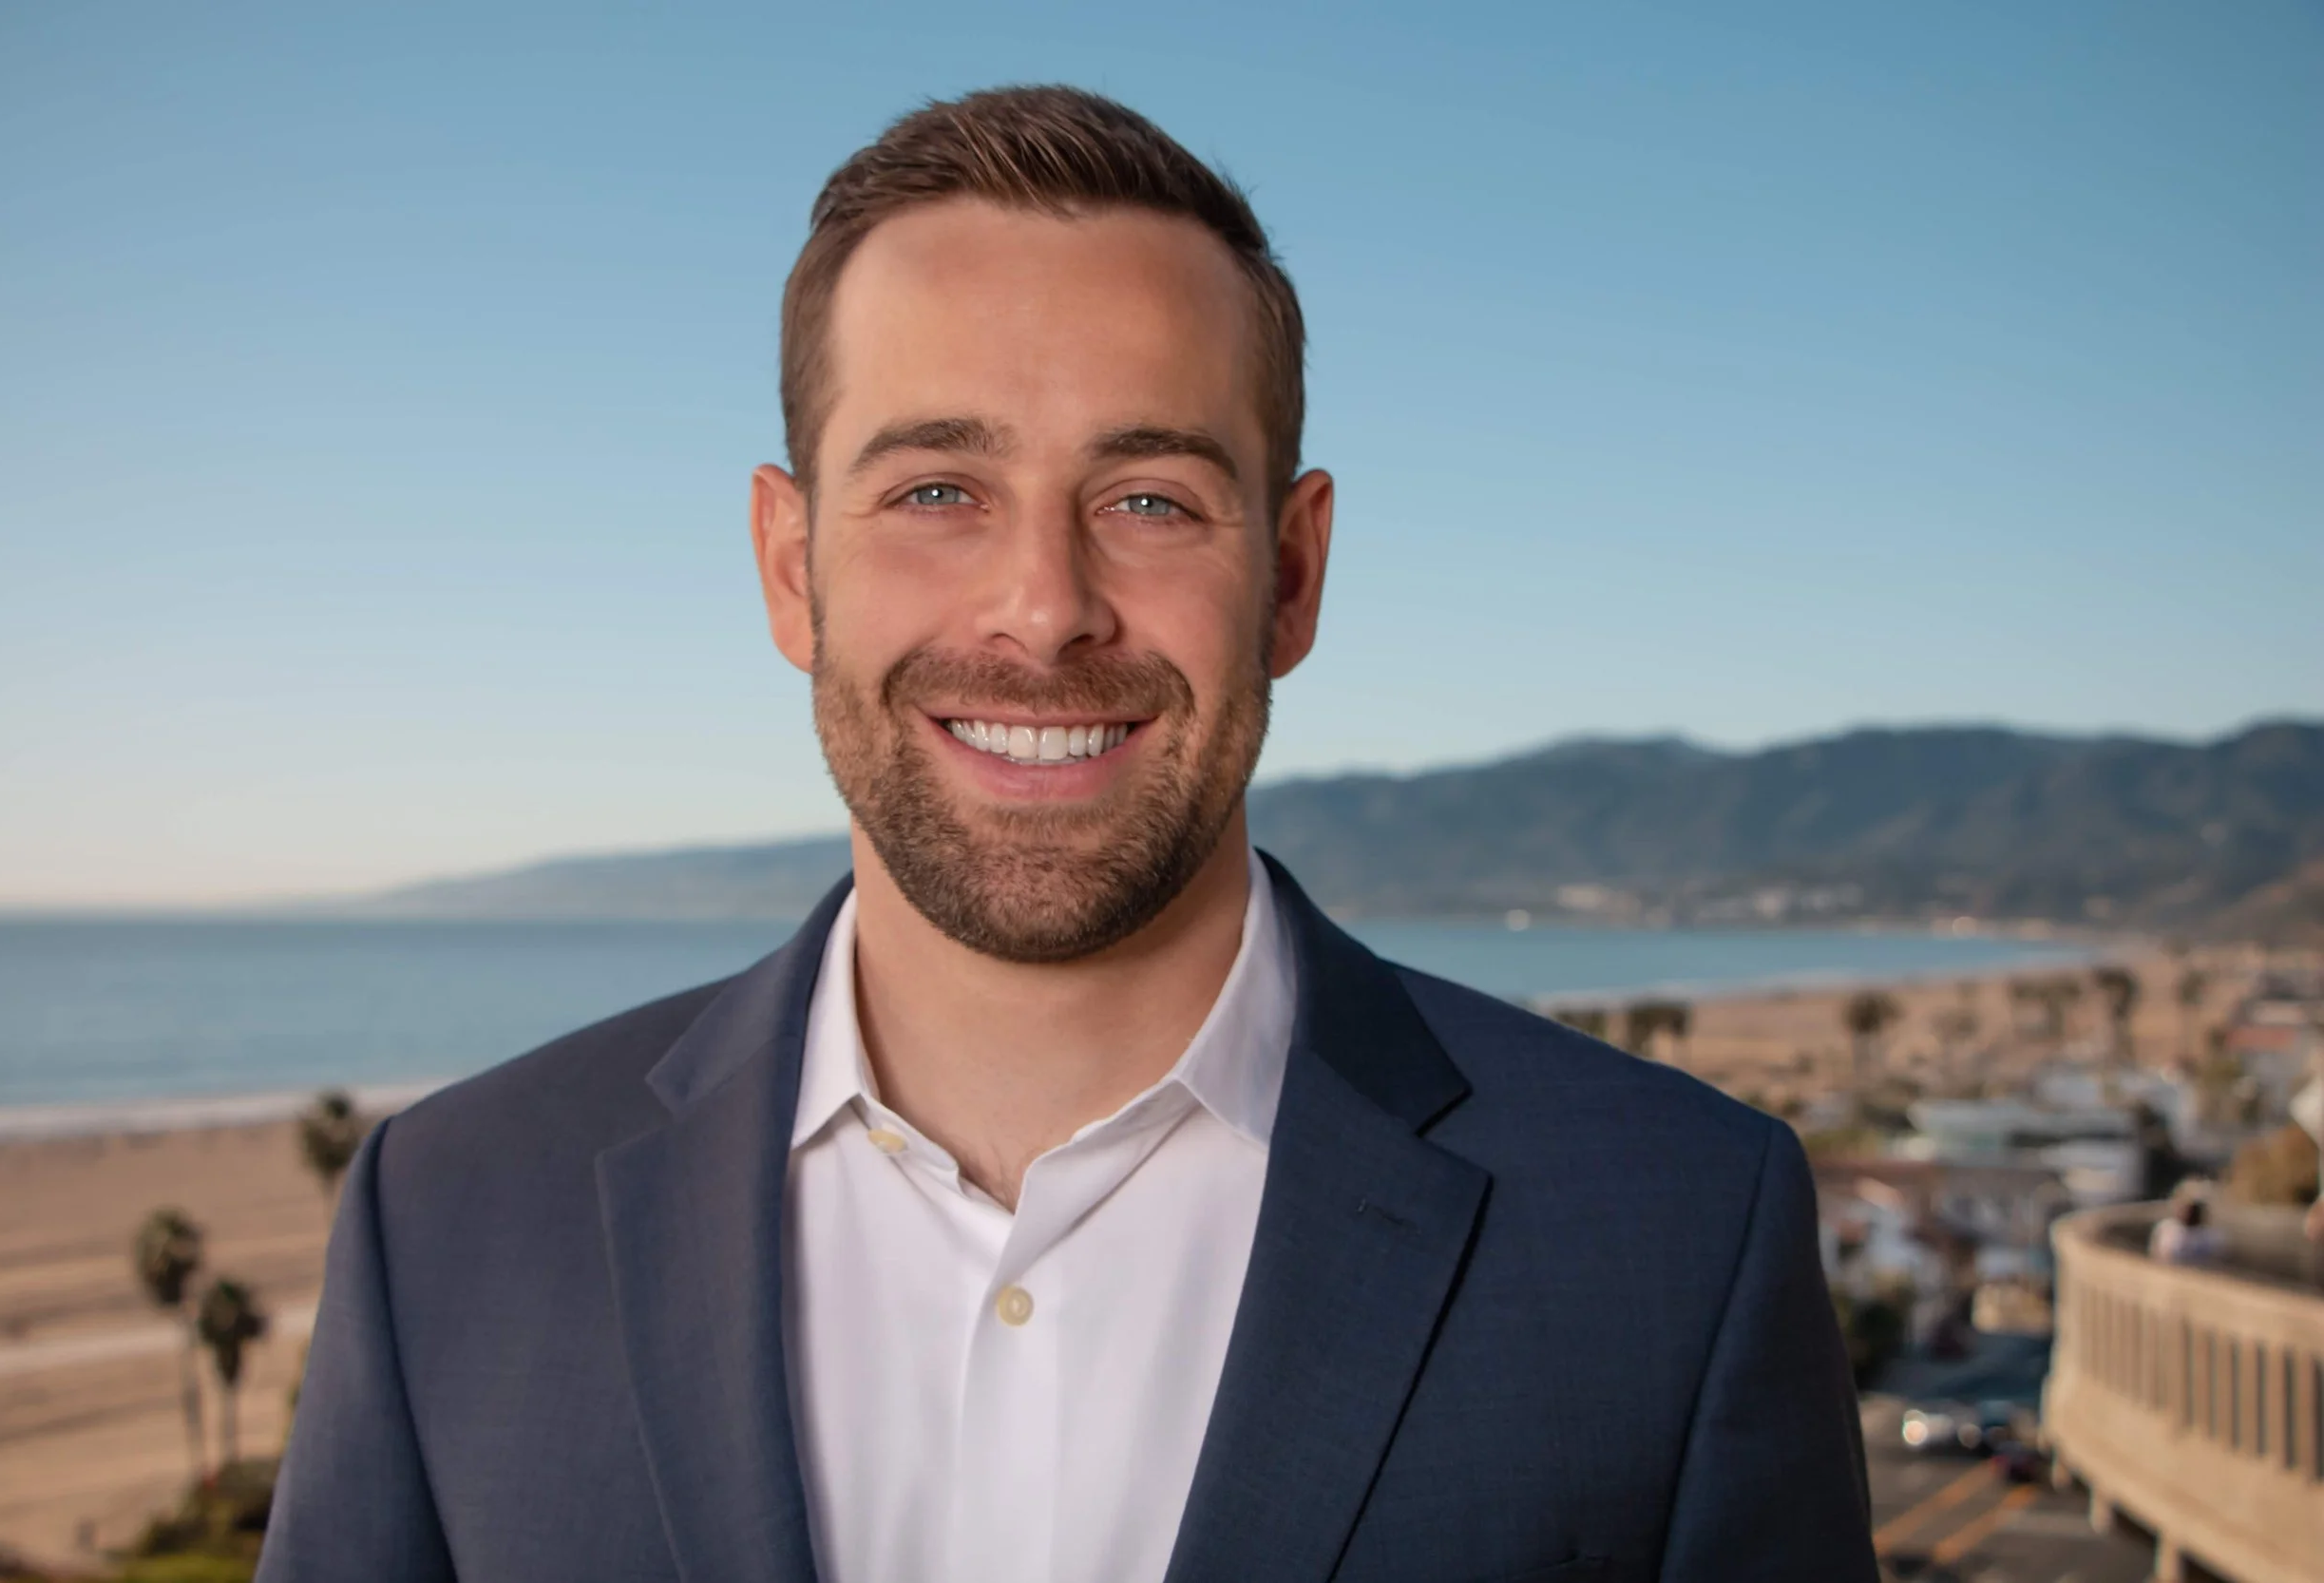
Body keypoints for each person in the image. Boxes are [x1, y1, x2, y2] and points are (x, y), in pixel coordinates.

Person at [262, 86, 1875, 1582]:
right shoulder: (450, 1214)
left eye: (1150, 498)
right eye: (936, 491)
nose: (1044, 609)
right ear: (790, 566)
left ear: (1294, 575)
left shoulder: (1677, 1230)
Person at [2148, 1190, 2224, 1267]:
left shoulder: (2208, 1237)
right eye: (2185, 1208)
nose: (2188, 1212)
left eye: (2193, 1209)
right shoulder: (2166, 1228)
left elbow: (2211, 1263)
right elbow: (2155, 1255)